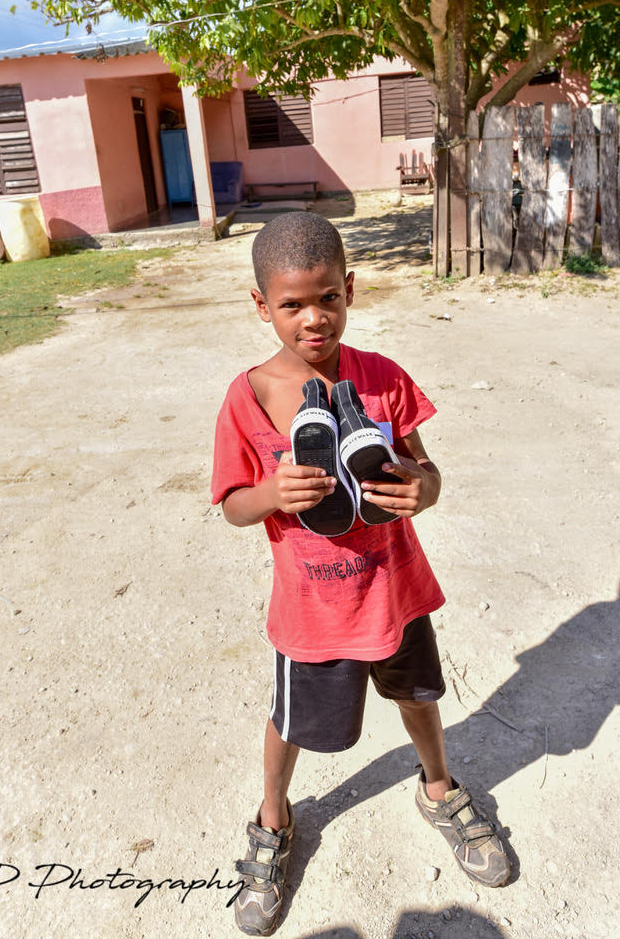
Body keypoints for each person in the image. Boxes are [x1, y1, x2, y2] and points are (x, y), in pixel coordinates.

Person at [211, 212, 509, 935]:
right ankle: (273, 816)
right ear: (262, 306)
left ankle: (438, 788)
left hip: (394, 590)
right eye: (292, 305)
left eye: (328, 299)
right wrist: (272, 494)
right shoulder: (246, 397)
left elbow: (424, 466)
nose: (314, 319)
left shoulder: (382, 376)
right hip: (311, 607)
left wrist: (423, 488)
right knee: (292, 718)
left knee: (418, 694)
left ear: (350, 289)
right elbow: (232, 505)